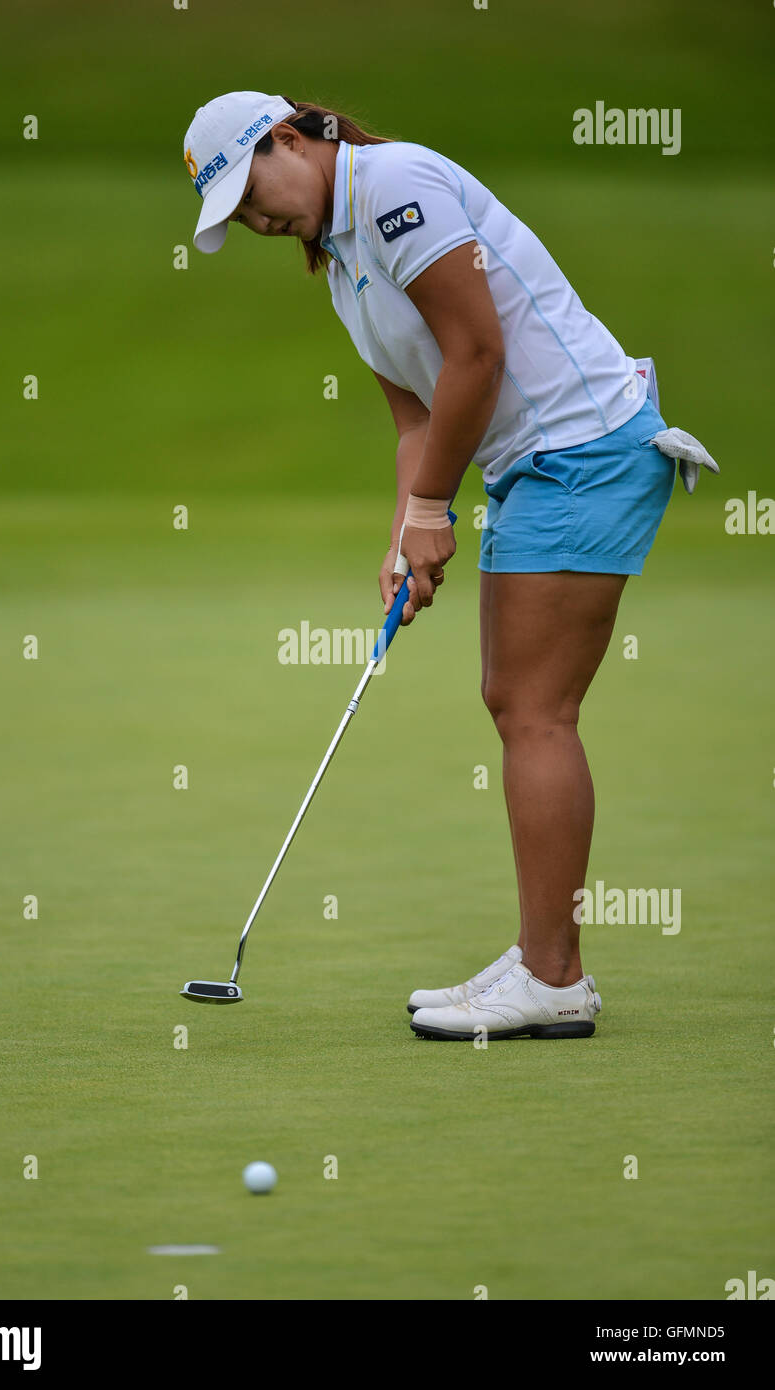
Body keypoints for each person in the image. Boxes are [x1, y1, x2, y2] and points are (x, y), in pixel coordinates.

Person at [183, 90, 717, 1042]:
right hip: (538, 464)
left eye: (250, 190)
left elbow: (477, 351)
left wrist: (436, 508)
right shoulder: (344, 260)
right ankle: (545, 960)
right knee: (515, 702)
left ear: (290, 138)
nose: (257, 220)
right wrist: (404, 531)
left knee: (530, 707)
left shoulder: (393, 185)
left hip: (584, 449)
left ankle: (553, 977)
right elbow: (419, 418)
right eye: (238, 216)